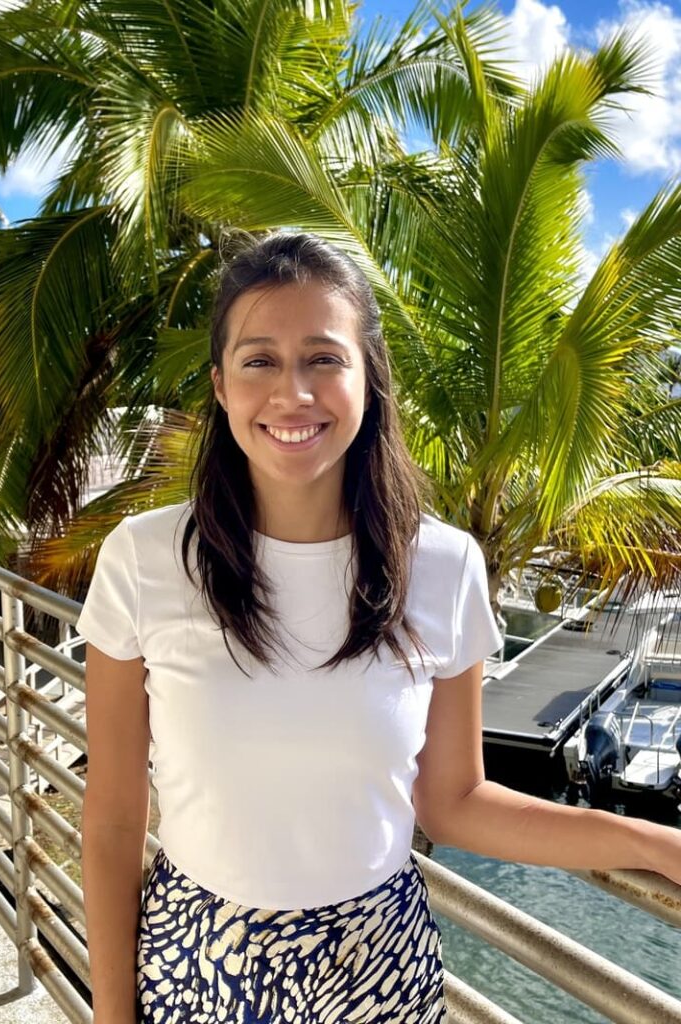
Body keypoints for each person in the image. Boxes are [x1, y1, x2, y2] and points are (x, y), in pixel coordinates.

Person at [77, 231, 681, 1024]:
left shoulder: (445, 564)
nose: (293, 392)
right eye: (260, 361)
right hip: (196, 954)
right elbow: (116, 818)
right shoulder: (147, 558)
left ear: (369, 381)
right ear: (222, 387)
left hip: (378, 965)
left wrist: (644, 842)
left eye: (325, 359)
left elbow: (454, 801)